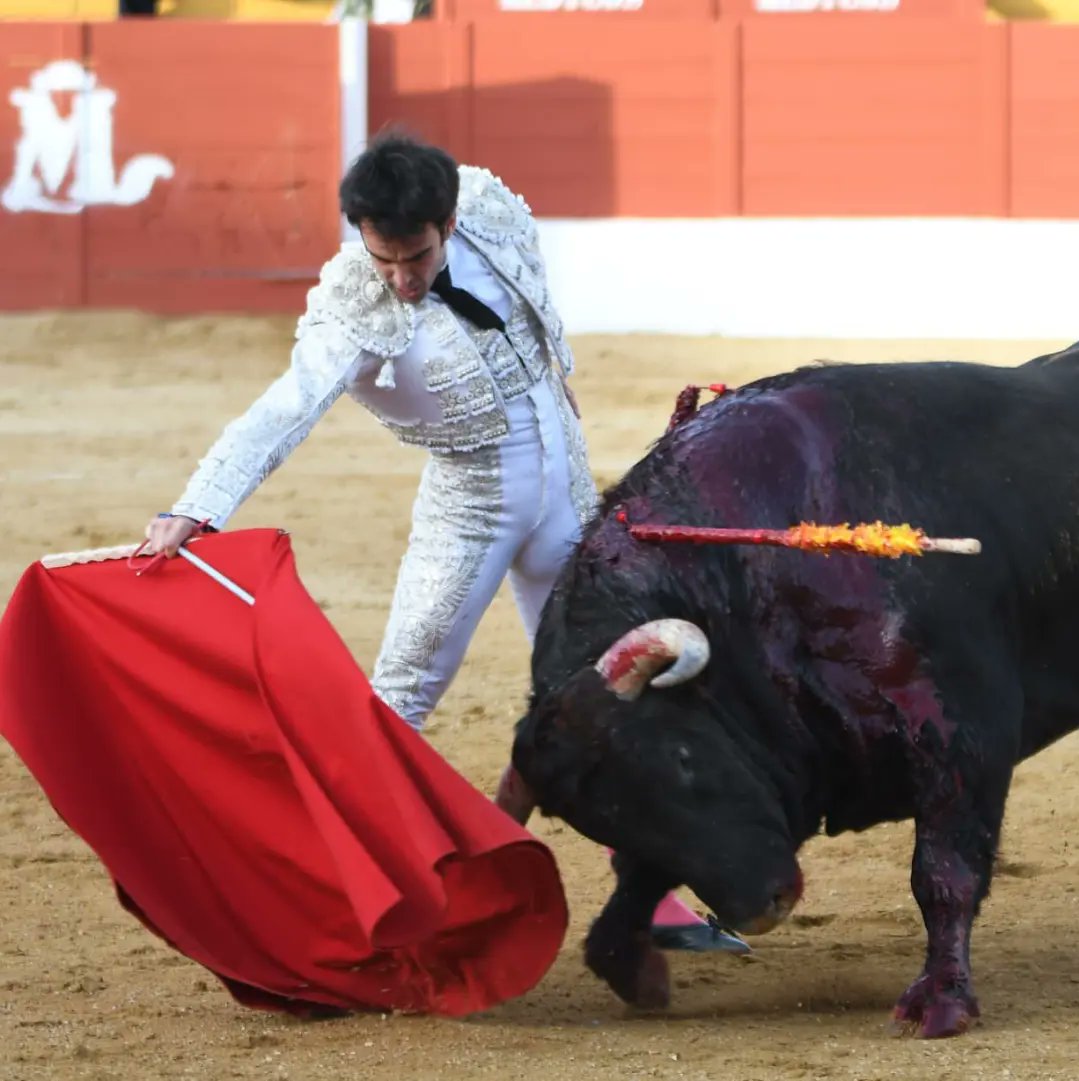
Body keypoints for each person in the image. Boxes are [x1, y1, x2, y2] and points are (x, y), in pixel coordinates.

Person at [144, 130, 733, 952]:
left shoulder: (488, 207)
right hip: (470, 501)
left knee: (603, 691)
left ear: (448, 223)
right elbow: (289, 403)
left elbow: (535, 313)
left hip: (565, 482)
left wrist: (555, 384)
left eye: (414, 256)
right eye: (382, 257)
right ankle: (358, 893)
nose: (400, 277)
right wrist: (199, 505)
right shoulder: (357, 299)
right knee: (398, 696)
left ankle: (644, 892)